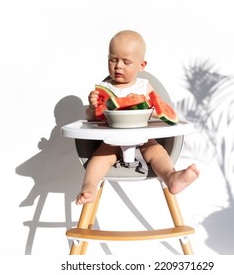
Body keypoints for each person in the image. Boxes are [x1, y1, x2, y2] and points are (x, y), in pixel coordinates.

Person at [76, 30, 199, 205]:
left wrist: (149, 108)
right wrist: (92, 106)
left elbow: (160, 109)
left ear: (142, 65)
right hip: (111, 140)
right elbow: (91, 119)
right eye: (113, 60)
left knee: (157, 153)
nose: (118, 66)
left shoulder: (144, 86)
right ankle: (89, 187)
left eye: (126, 62)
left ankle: (172, 177)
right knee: (99, 159)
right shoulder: (104, 87)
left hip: (143, 138)